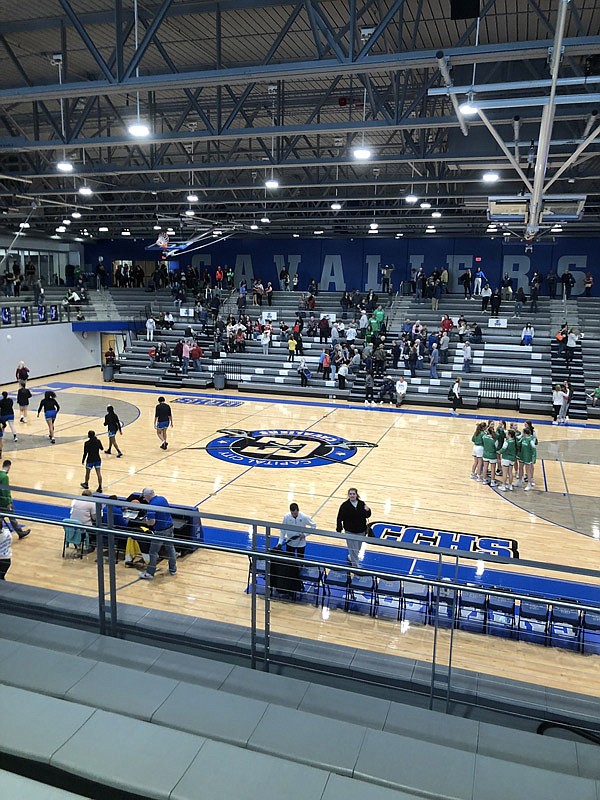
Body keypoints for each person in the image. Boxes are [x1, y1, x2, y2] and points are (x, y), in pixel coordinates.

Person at [138, 487, 178, 579]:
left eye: (144, 497)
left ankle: (150, 573)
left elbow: (152, 522)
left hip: (160, 531)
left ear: (147, 496)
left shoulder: (151, 506)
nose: (144, 499)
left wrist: (147, 521)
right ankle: (173, 569)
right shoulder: (162, 499)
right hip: (170, 527)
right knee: (170, 549)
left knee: (153, 552)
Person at [336, 487, 371, 568]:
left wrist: (368, 510)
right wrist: (339, 529)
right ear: (348, 495)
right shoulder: (344, 506)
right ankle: (355, 566)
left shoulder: (362, 504)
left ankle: (351, 557)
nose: (352, 495)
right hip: (350, 531)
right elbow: (339, 518)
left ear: (356, 495)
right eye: (350, 494)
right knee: (353, 549)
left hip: (361, 530)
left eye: (353, 494)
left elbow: (368, 515)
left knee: (357, 548)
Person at [0, 460, 30, 539]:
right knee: (12, 517)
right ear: (9, 467)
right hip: (4, 502)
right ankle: (20, 532)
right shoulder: (4, 477)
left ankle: (20, 532)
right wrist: (9, 502)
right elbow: (5, 491)